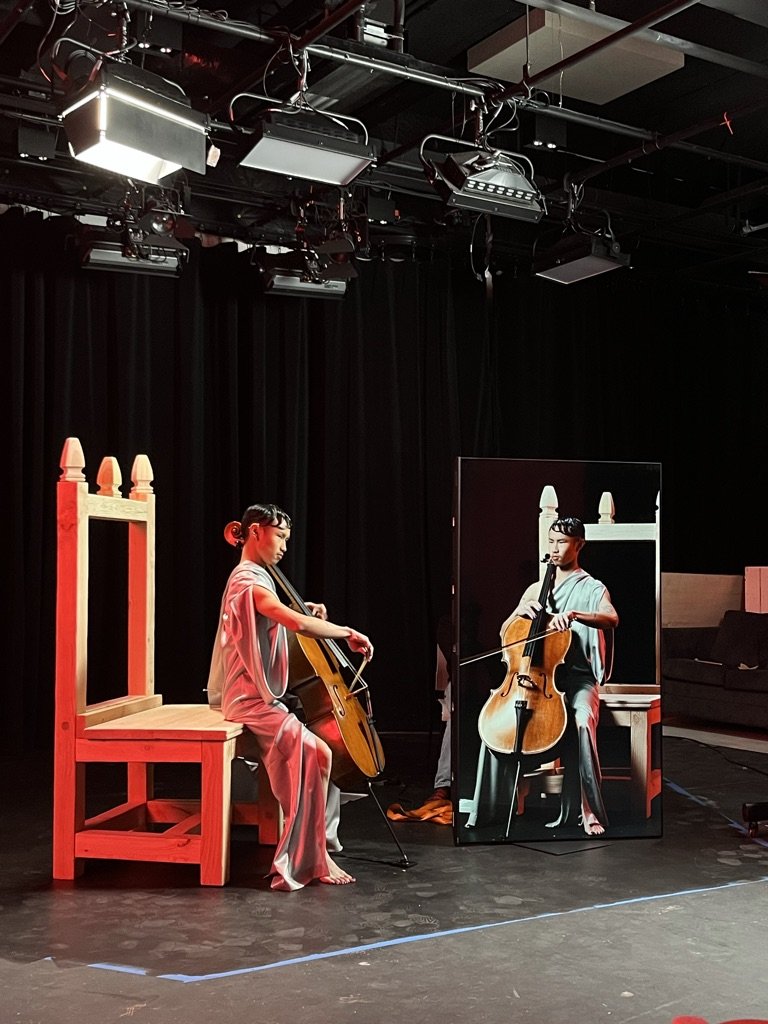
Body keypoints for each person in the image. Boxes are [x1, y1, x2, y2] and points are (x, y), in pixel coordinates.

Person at [206, 502, 373, 890]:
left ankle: (314, 850)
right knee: (318, 752)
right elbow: (292, 621)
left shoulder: (256, 577)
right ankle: (308, 857)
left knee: (319, 753)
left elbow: (277, 621)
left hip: (258, 698)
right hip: (248, 699)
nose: (283, 546)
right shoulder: (248, 580)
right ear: (254, 532)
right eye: (279, 536)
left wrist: (306, 613)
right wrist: (344, 631)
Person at [501, 515, 619, 836]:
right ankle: (498, 805)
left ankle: (589, 811)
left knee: (581, 721)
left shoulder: (592, 587)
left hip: (578, 680)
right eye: (550, 541)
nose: (553, 548)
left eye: (562, 542)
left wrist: (575, 614)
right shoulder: (537, 589)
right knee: (502, 723)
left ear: (579, 545)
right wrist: (518, 614)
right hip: (540, 680)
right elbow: (506, 634)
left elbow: (611, 617)